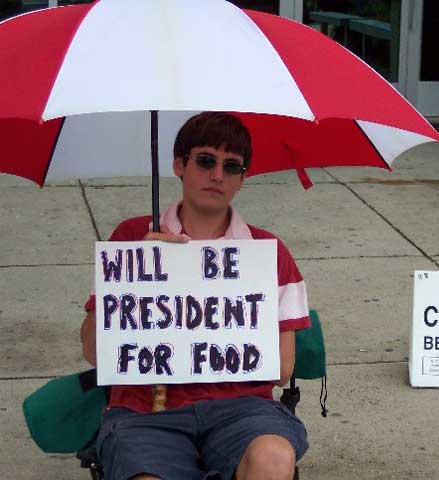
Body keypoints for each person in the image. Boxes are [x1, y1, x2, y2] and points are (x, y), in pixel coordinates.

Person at [80, 112, 310, 480]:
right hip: (146, 412)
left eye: (231, 166)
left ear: (242, 180)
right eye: (205, 161)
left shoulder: (267, 252)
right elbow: (94, 350)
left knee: (274, 457)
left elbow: (281, 369)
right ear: (178, 165)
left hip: (243, 410)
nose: (217, 175)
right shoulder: (130, 237)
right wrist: (135, 276)